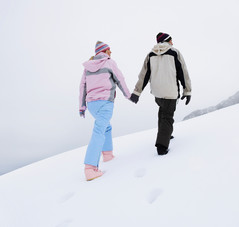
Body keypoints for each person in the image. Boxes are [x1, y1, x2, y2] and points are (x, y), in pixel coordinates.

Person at [130, 32, 192, 155]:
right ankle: (162, 147)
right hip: (170, 91)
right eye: (171, 40)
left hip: (157, 93)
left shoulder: (150, 54)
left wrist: (137, 92)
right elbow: (183, 73)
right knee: (167, 117)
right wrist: (187, 91)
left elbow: (144, 75)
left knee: (163, 112)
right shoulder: (174, 52)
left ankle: (166, 134)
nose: (172, 43)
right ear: (167, 40)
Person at [79, 41, 132, 181]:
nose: (111, 53)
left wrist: (82, 106)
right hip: (105, 102)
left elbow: (82, 87)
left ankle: (107, 155)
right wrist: (128, 95)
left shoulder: (88, 67)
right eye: (110, 50)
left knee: (106, 127)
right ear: (106, 51)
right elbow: (120, 79)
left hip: (91, 105)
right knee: (99, 131)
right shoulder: (109, 62)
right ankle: (90, 168)